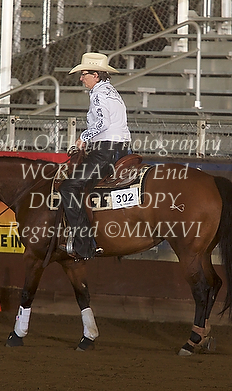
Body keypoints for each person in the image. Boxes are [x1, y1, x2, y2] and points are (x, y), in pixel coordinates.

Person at [59, 52, 132, 260]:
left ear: (96, 75)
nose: (81, 78)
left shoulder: (99, 94)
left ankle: (83, 245)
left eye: (84, 74)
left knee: (68, 187)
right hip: (121, 148)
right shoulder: (112, 92)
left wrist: (84, 137)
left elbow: (102, 123)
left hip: (105, 152)